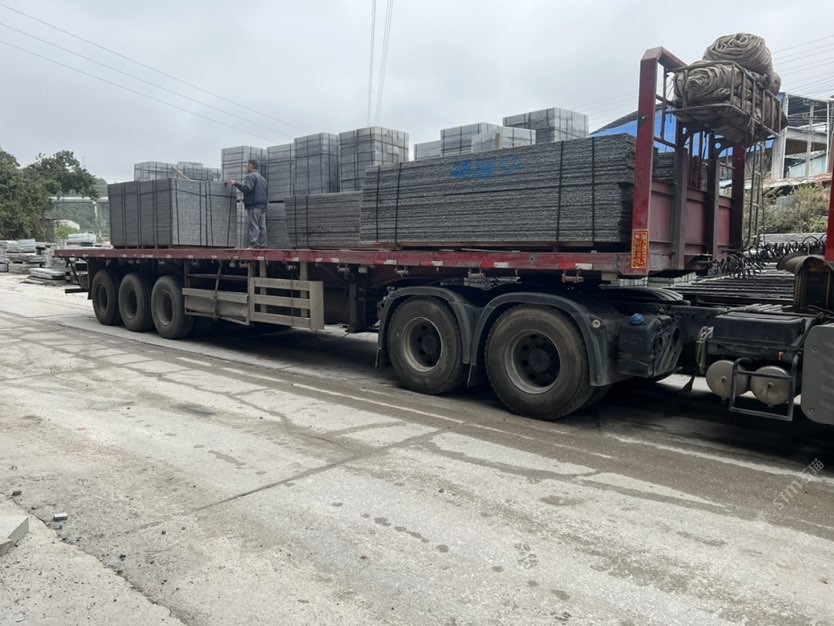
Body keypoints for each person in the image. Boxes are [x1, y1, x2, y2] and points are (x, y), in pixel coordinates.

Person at [228, 159, 268, 248]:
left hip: (254, 205)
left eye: (247, 166)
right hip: (263, 205)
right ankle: (263, 245)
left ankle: (254, 245)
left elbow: (247, 188)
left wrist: (235, 183)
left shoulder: (250, 176)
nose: (246, 168)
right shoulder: (262, 178)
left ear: (251, 166)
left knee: (254, 225)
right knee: (262, 226)